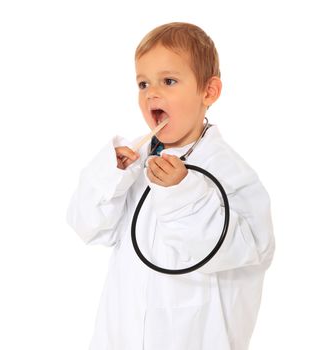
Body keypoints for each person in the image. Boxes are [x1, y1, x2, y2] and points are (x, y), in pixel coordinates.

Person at [66, 22, 275, 350]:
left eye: (169, 81)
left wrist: (183, 193)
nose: (152, 93)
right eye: (143, 83)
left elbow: (248, 251)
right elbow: (88, 227)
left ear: (208, 92)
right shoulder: (136, 162)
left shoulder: (232, 172)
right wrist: (111, 174)